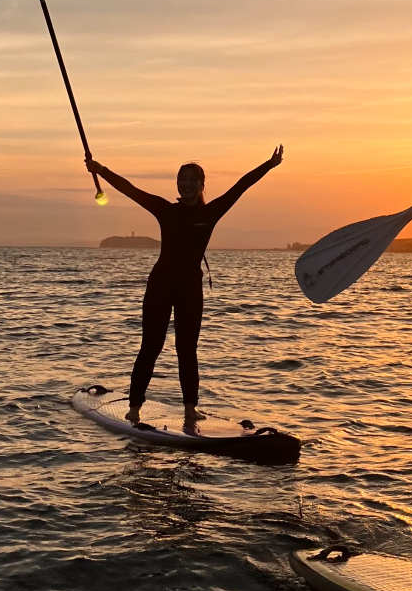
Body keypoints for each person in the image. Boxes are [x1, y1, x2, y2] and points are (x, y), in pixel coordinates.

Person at [85, 146, 284, 425]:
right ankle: (134, 407)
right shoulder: (166, 211)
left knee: (187, 349)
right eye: (182, 180)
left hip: (190, 287)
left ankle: (190, 408)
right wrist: (101, 171)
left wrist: (269, 164)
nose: (187, 185)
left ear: (202, 185)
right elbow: (131, 190)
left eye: (193, 180)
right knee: (150, 347)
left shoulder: (212, 212)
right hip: (161, 285)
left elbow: (241, 186)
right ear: (177, 184)